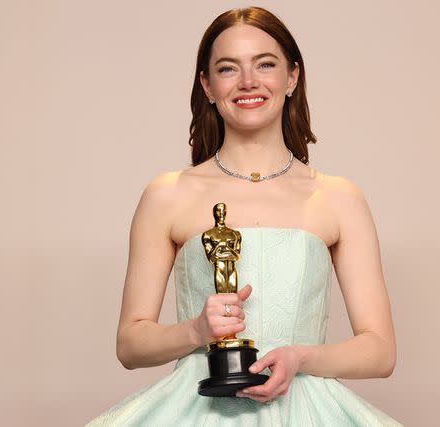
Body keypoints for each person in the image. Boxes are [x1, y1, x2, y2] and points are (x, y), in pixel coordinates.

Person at [87, 6, 402, 426]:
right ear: (208, 85)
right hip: (196, 406)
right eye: (228, 68)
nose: (249, 82)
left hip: (306, 408)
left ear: (292, 77)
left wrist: (301, 357)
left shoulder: (339, 198)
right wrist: (196, 331)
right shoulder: (167, 195)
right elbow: (129, 343)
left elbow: (380, 350)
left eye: (265, 64)